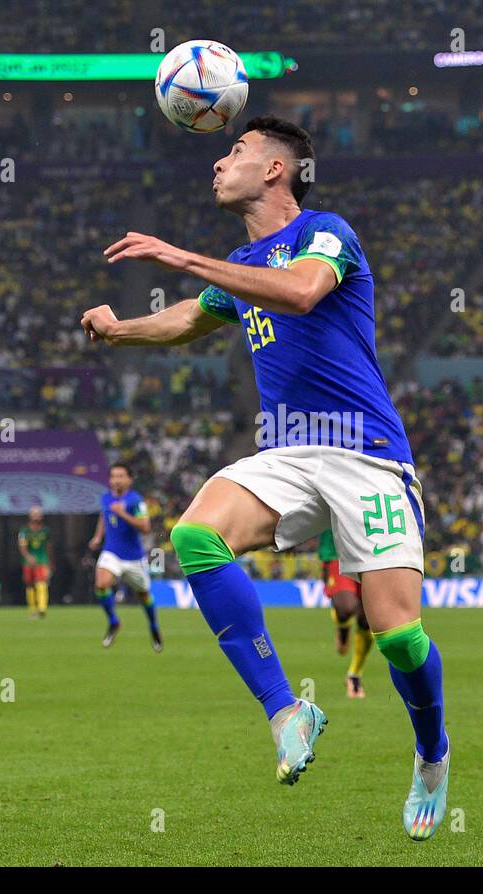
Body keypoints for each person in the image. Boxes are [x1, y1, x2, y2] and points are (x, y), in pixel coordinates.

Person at [81, 116, 449, 840]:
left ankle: (432, 753)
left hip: (365, 450)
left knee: (397, 633)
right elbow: (195, 317)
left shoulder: (326, 233)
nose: (219, 164)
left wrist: (180, 256)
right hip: (285, 452)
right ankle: (288, 710)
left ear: (277, 169)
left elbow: (303, 292)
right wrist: (122, 329)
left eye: (236, 151)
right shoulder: (244, 262)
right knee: (194, 537)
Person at [87, 464, 161, 651]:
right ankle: (114, 621)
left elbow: (145, 527)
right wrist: (97, 536)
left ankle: (153, 626)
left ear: (129, 480)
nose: (116, 479)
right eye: (113, 476)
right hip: (111, 551)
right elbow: (104, 516)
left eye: (121, 476)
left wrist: (122, 513)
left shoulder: (135, 501)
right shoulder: (105, 498)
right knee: (101, 584)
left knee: (143, 594)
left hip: (134, 557)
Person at [319, 529, 373, 699]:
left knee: (368, 619)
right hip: (337, 550)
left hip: (372, 551)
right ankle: (342, 625)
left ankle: (354, 675)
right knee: (346, 607)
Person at [18, 506, 52, 620]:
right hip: (28, 563)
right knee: (30, 585)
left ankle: (42, 608)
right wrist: (28, 557)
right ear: (30, 516)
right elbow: (22, 547)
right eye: (34, 514)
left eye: (38, 514)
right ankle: (32, 609)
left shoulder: (45, 531)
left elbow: (49, 547)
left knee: (41, 582)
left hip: (42, 561)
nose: (37, 516)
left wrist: (50, 562)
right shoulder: (24, 531)